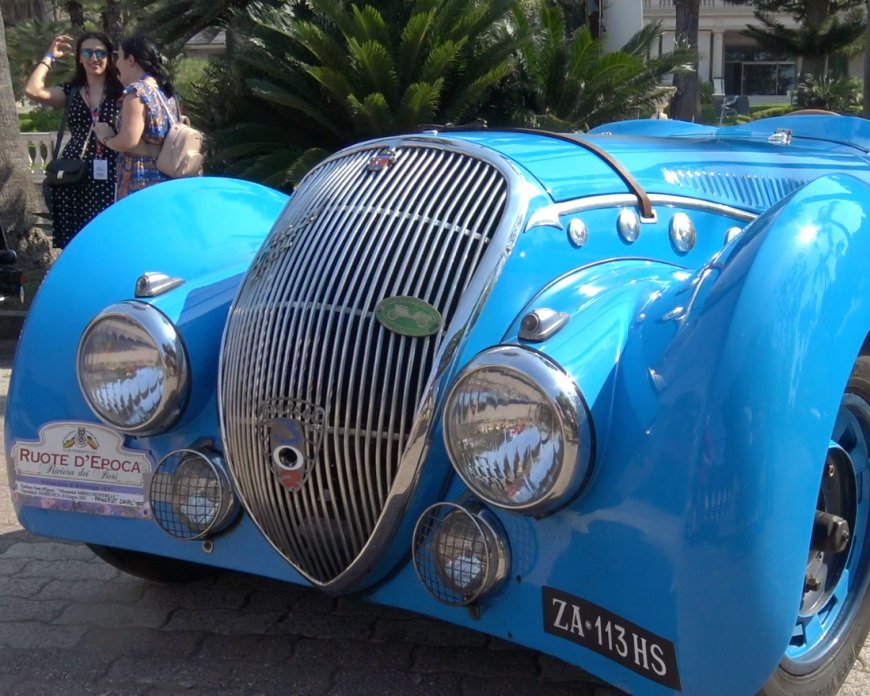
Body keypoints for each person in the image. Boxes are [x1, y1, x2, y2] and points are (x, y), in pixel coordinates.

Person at [24, 32, 123, 249]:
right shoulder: (72, 91)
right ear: (79, 57)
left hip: (111, 169)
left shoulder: (121, 92)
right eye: (87, 52)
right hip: (74, 174)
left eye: (100, 52)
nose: (93, 58)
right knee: (76, 238)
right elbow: (32, 90)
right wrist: (51, 55)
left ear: (109, 57)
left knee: (109, 234)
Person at [95, 35, 178, 200]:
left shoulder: (136, 93)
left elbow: (128, 141)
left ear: (130, 60)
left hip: (141, 176)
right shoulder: (165, 91)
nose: (116, 63)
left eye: (118, 56)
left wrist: (106, 138)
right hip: (167, 175)